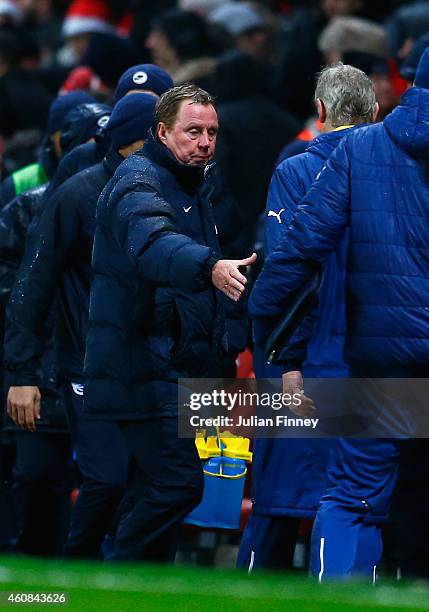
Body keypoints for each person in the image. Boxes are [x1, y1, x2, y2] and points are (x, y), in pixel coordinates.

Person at [249, 47, 429, 581]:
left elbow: (301, 247)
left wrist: (266, 318)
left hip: (385, 360)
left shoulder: (364, 150)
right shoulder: (365, 143)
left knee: (353, 498)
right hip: (377, 362)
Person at [84, 83, 256, 561]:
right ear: (162, 132)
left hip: (177, 365)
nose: (204, 142)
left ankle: (125, 583)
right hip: (141, 363)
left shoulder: (197, 185)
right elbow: (155, 245)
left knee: (151, 490)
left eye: (212, 133)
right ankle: (108, 570)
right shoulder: (138, 180)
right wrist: (209, 266)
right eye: (193, 131)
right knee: (179, 482)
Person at [4, 93, 159, 559]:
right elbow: (34, 283)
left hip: (152, 366)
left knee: (159, 484)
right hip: (83, 363)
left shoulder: (184, 191)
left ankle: (121, 580)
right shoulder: (76, 193)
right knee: (98, 479)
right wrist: (24, 375)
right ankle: (72, 574)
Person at [238, 62, 378, 572]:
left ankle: (249, 607)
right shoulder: (398, 171)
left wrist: (285, 351)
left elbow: (289, 270)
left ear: (319, 112)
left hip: (297, 356)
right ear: (375, 110)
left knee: (278, 502)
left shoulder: (296, 170)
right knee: (360, 502)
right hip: (372, 355)